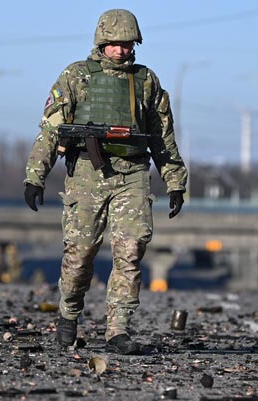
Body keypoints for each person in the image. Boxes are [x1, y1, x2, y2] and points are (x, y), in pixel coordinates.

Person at [23, 9, 187, 355]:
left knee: (131, 251)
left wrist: (174, 180)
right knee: (80, 253)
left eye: (127, 44)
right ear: (101, 42)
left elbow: (162, 136)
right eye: (115, 44)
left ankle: (118, 329)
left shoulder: (146, 81)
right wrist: (35, 176)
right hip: (88, 173)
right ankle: (69, 312)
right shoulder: (76, 76)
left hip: (133, 173)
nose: (121, 50)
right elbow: (51, 129)